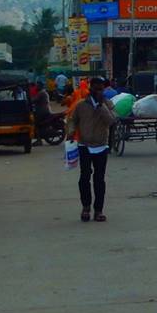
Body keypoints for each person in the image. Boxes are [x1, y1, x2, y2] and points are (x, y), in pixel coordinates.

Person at [66, 76, 117, 222]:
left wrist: (101, 107)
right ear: (91, 88)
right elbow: (72, 120)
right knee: (84, 178)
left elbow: (112, 121)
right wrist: (70, 134)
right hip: (84, 146)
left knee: (99, 179)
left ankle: (99, 210)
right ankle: (86, 207)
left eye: (101, 88)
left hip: (101, 146)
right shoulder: (81, 105)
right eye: (96, 88)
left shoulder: (107, 104)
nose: (98, 91)